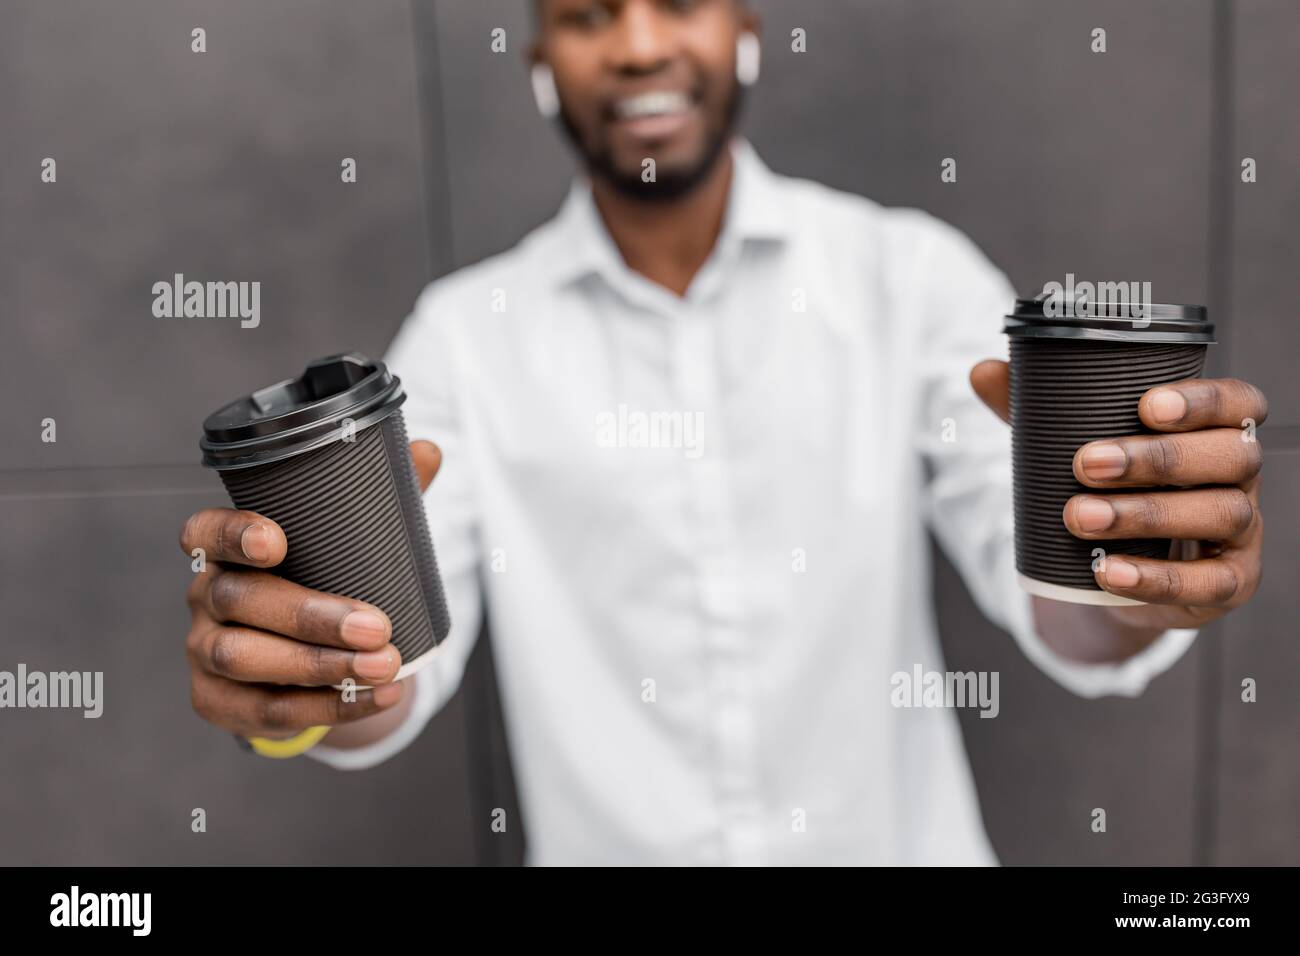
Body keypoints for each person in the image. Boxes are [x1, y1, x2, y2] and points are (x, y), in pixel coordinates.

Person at [181, 0, 1267, 864]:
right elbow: (404, 666)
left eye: (680, 3)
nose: (641, 42)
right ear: (541, 62)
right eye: (592, 13)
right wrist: (310, 685)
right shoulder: (467, 338)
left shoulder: (906, 276)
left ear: (744, 33)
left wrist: (1138, 564)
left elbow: (1059, 611)